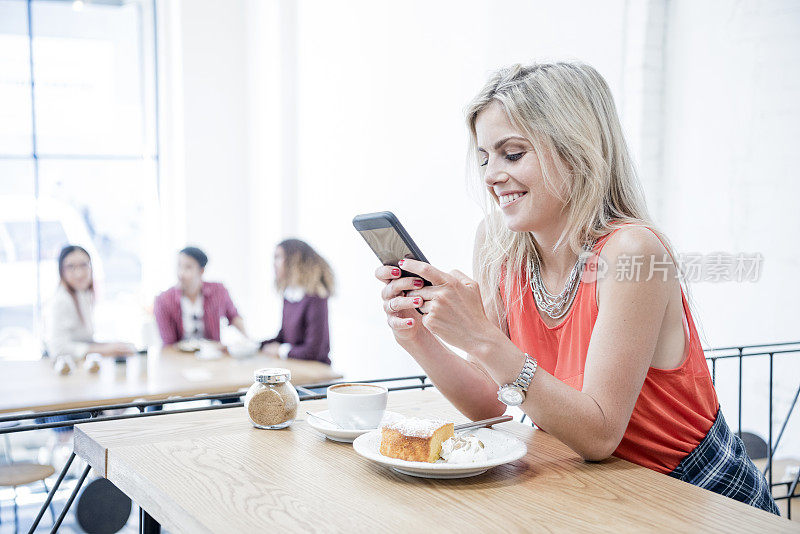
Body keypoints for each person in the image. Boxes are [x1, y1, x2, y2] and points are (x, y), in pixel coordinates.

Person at [374, 62, 779, 514]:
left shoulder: (632, 252)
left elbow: (601, 433)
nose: (490, 175)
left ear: (577, 151)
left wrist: (481, 337)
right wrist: (418, 337)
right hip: (592, 486)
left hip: (694, 492)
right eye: (485, 157)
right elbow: (490, 403)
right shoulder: (497, 244)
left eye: (512, 154)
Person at [45, 245, 135, 359]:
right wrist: (106, 350)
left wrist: (112, 346)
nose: (79, 273)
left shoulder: (82, 294)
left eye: (84, 265)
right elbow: (59, 349)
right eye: (70, 267)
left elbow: (84, 341)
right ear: (61, 271)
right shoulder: (61, 300)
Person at [154, 247, 247, 346]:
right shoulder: (163, 300)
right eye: (179, 266)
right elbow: (168, 344)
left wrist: (248, 340)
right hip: (180, 357)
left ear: (201, 271)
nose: (181, 273)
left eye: (188, 267)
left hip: (212, 355)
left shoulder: (218, 291)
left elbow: (234, 316)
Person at [261, 239, 333, 364]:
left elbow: (314, 351)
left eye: (278, 257)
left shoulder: (316, 297)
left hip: (316, 373)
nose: (274, 264)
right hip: (296, 366)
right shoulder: (289, 294)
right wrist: (256, 345)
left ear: (295, 260)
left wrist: (280, 351)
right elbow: (284, 336)